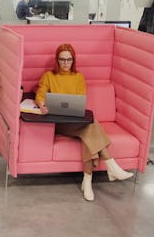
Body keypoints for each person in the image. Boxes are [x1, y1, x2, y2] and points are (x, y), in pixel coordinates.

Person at [34, 44, 133, 201]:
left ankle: (88, 182)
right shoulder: (48, 76)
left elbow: (81, 99)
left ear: (73, 60)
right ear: (57, 60)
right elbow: (40, 94)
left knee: (89, 130)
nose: (66, 63)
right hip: (60, 124)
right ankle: (111, 166)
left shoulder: (78, 77)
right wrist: (41, 105)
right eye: (62, 59)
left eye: (69, 59)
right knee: (92, 125)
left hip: (76, 121)